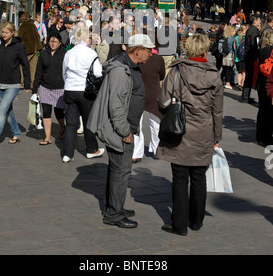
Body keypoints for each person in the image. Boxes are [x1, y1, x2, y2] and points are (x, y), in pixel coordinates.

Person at [156, 34, 223, 235]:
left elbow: (162, 101)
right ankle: (196, 221)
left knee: (179, 178)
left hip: (179, 131)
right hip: (204, 132)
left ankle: (178, 224)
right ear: (205, 51)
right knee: (199, 177)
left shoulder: (176, 71)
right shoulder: (214, 75)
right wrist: (216, 137)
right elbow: (217, 111)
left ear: (188, 50)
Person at [87, 33, 154, 229]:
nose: (151, 54)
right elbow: (116, 105)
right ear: (138, 50)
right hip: (122, 130)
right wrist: (125, 131)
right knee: (121, 171)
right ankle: (113, 213)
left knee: (119, 170)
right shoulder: (121, 70)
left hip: (126, 127)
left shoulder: (130, 66)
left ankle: (115, 207)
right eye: (148, 50)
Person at [0, 22, 31, 148]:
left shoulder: (19, 46)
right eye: (2, 32)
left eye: (6, 32)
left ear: (12, 33)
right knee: (7, 110)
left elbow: (25, 65)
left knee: (1, 110)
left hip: (13, 84)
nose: (3, 34)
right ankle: (16, 133)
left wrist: (27, 84)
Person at [62, 27, 104, 163]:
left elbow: (64, 71)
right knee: (88, 121)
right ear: (87, 38)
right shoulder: (91, 53)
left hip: (69, 89)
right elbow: (98, 73)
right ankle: (92, 149)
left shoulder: (69, 53)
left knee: (71, 123)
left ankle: (67, 153)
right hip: (85, 90)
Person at [32, 33, 66, 145]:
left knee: (59, 113)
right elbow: (38, 71)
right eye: (51, 41)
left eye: (55, 41)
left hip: (59, 87)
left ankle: (62, 128)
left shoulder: (64, 54)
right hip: (45, 86)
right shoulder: (43, 53)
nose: (53, 43)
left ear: (60, 43)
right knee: (46, 111)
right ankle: (47, 137)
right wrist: (35, 88)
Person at [132, 48, 165, 162]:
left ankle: (136, 153)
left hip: (138, 92)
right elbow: (162, 75)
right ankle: (156, 150)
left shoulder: (135, 57)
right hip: (153, 93)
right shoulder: (158, 59)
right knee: (155, 124)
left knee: (136, 124)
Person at [256, 30, 273, 146]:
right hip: (270, 83)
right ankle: (267, 136)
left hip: (261, 83)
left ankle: (260, 136)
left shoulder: (262, 51)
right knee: (270, 111)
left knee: (262, 110)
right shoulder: (272, 51)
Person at [18, 11, 43, 87]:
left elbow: (19, 38)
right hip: (35, 49)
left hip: (26, 49)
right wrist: (39, 47)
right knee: (33, 68)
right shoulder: (32, 25)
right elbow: (37, 37)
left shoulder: (22, 26)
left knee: (21, 66)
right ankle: (33, 84)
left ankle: (22, 83)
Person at [241, 15, 261, 103]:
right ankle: (245, 97)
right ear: (255, 21)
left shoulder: (251, 29)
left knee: (249, 76)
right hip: (250, 55)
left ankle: (245, 96)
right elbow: (254, 43)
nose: (260, 21)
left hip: (249, 54)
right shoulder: (253, 30)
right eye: (259, 20)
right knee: (249, 76)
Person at [221, 25, 236, 89]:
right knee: (229, 70)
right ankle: (227, 83)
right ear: (231, 31)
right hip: (230, 54)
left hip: (225, 55)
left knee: (225, 69)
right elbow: (234, 48)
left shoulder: (226, 37)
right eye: (234, 31)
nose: (235, 32)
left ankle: (221, 80)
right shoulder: (233, 38)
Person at [233, 25, 247, 90]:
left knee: (239, 72)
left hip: (237, 57)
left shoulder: (236, 38)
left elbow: (234, 48)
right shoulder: (245, 37)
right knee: (244, 72)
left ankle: (239, 84)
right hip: (244, 57)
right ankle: (242, 84)